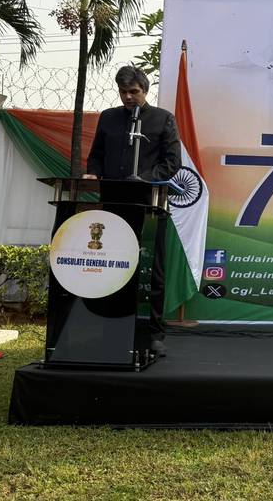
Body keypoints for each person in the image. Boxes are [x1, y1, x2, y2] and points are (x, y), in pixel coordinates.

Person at [83, 66, 181, 356]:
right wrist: (92, 172)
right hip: (115, 202)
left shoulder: (163, 119)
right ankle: (112, 328)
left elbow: (172, 162)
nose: (128, 97)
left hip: (149, 203)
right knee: (114, 265)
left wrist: (144, 178)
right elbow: (96, 155)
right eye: (123, 92)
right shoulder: (108, 117)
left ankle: (154, 334)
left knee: (152, 269)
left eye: (134, 92)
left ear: (145, 91)